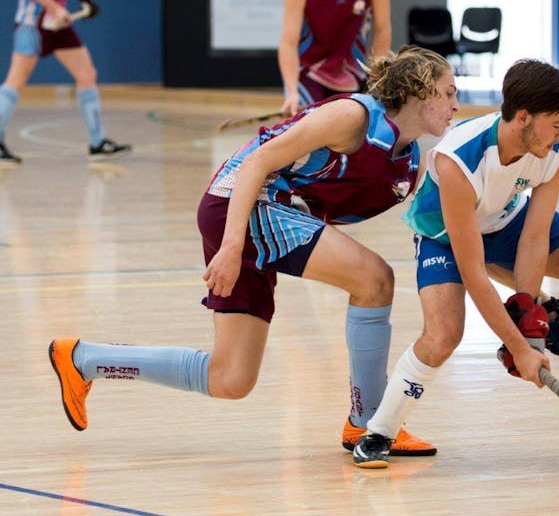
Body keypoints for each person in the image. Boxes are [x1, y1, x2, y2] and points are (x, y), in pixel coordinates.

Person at [48, 45, 458, 456]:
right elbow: (256, 162)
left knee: (231, 378)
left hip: (262, 214)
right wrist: (231, 245)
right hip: (239, 204)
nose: (456, 105)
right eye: (449, 93)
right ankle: (370, 423)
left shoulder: (408, 159)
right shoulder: (352, 117)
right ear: (421, 92)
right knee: (375, 279)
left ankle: (84, 359)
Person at [352, 58, 559, 468]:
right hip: (445, 236)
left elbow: (535, 236)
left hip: (506, 221)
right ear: (523, 118)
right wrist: (520, 347)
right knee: (444, 334)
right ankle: (379, 431)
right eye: (557, 123)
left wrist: (528, 308)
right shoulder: (458, 160)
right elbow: (474, 270)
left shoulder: (556, 149)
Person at [0, 0, 130, 164]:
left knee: (87, 74)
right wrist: (53, 7)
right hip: (34, 21)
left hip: (57, 23)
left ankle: (97, 142)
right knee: (16, 79)